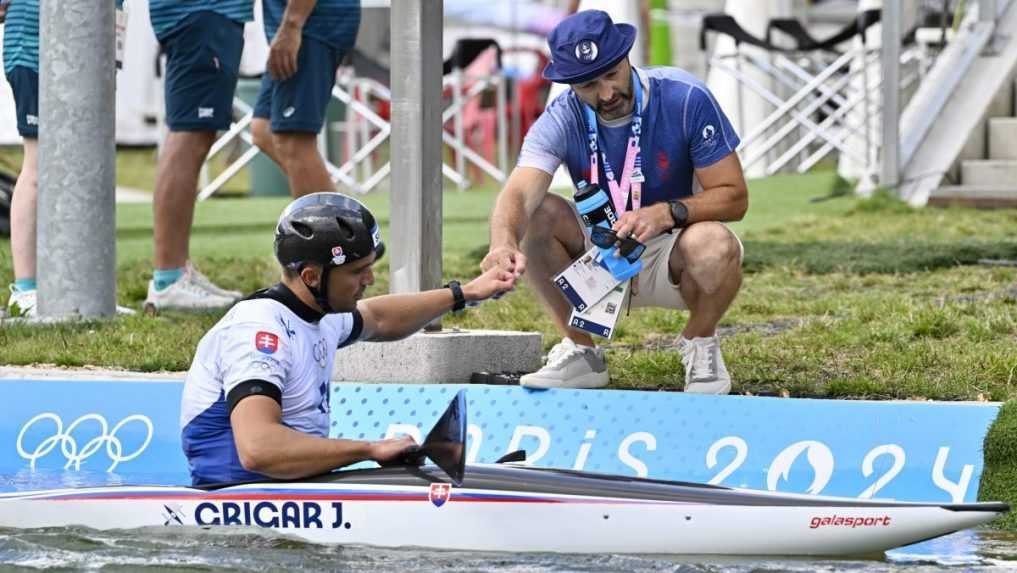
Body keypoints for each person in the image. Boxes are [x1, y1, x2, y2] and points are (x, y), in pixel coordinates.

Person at [481, 10, 748, 393]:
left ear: (626, 58)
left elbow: (735, 197)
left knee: (715, 245)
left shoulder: (684, 96)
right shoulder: (561, 116)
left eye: (611, 73)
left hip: (674, 247)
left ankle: (700, 341)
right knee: (539, 215)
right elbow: (520, 192)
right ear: (569, 84)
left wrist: (667, 212)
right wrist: (502, 241)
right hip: (602, 249)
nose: (606, 93)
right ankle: (582, 353)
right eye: (589, 84)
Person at [179, 192, 514, 485]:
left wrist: (465, 293)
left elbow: (381, 318)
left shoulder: (320, 315)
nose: (369, 278)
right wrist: (368, 449)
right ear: (311, 276)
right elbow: (258, 449)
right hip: (236, 501)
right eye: (356, 271)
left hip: (289, 490)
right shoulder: (258, 332)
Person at [143, 0, 254, 312]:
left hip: (205, 14)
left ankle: (176, 271)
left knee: (194, 136)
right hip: (201, 12)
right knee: (188, 136)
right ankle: (168, 279)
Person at [249, 0, 359, 197]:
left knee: (293, 140)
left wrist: (292, 26)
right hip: (296, 24)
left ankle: (328, 226)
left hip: (310, 24)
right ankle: (342, 220)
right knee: (264, 129)